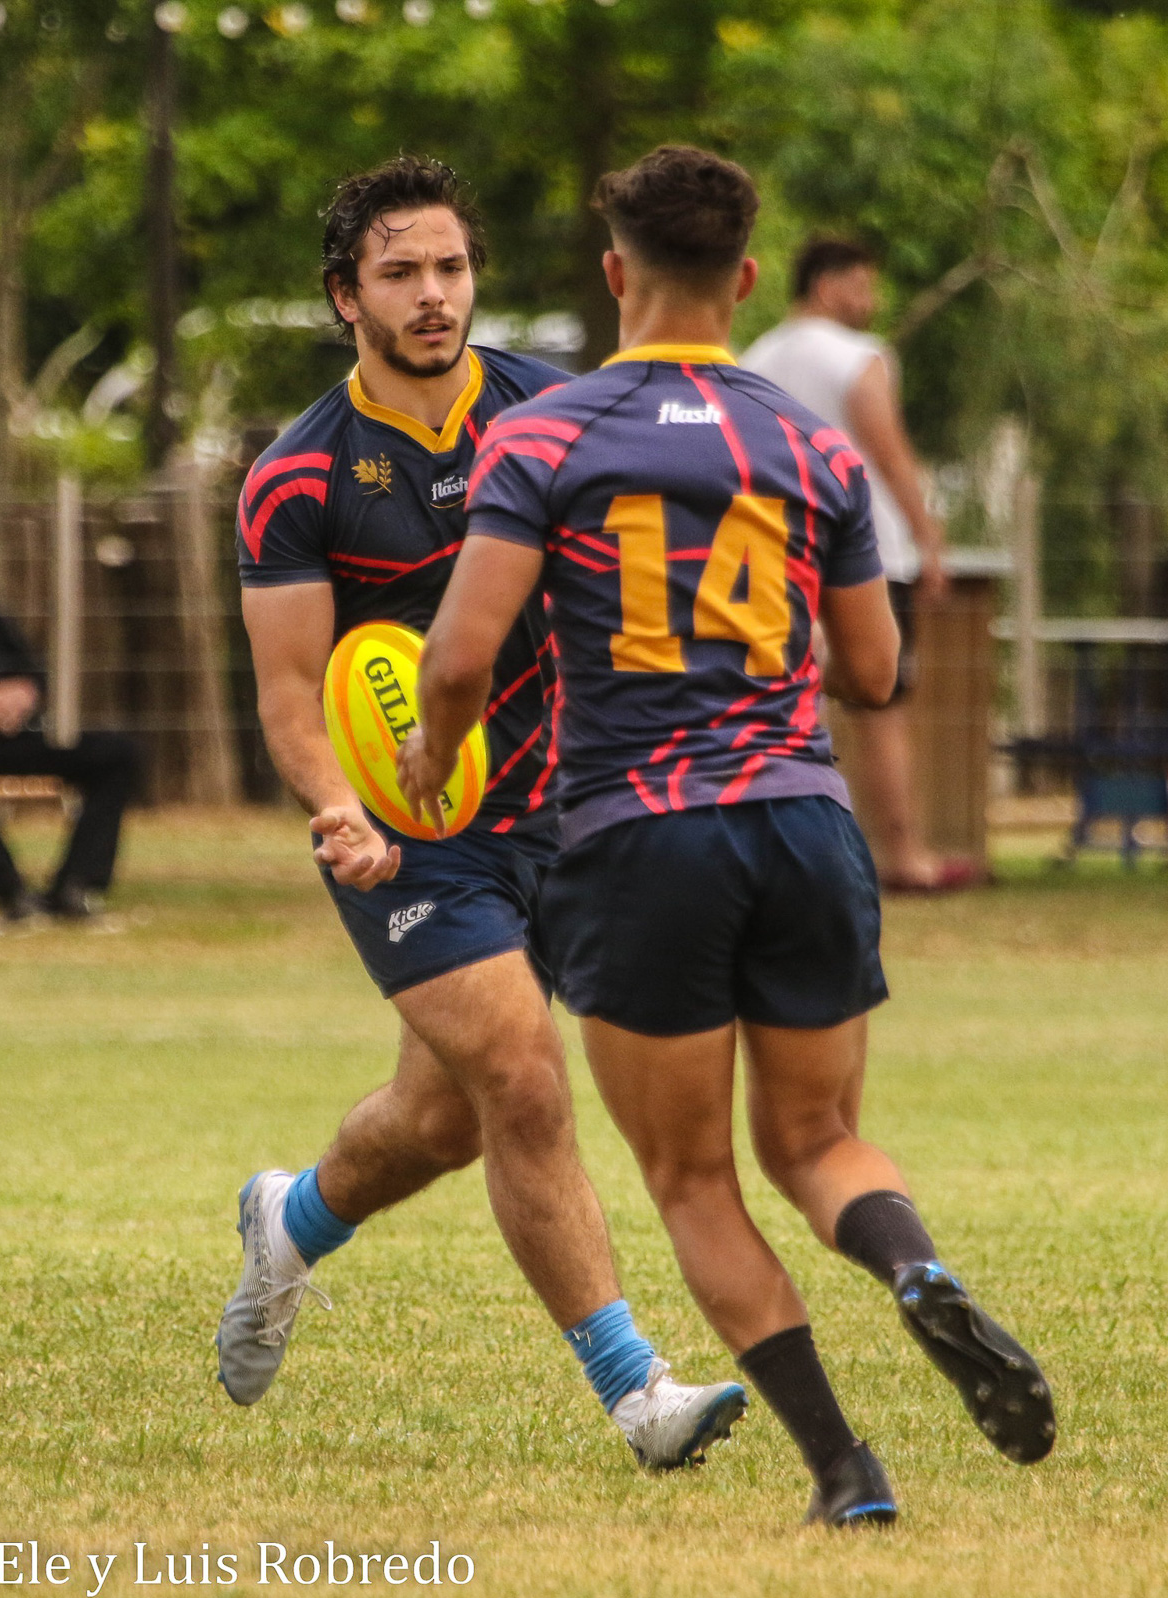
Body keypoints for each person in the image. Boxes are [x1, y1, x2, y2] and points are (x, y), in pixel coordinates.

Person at [399, 144, 1056, 1527]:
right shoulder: (809, 445)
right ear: (747, 278)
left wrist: (431, 756)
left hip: (641, 838)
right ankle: (915, 1272)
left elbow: (461, 657)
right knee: (817, 1142)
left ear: (612, 273)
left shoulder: (543, 434)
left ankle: (845, 1473)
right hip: (805, 823)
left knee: (692, 1179)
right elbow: (875, 672)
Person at [218, 154, 747, 1471]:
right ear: (347, 297)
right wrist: (339, 809)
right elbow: (291, 697)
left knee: (444, 1123)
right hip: (401, 832)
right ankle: (639, 1395)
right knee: (521, 1076)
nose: (433, 294)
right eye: (399, 272)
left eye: (449, 267)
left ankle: (290, 1221)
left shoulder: (556, 413)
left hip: (561, 808)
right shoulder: (298, 479)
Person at [742, 237, 976, 893]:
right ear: (827, 284)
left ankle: (783, 853)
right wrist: (929, 537)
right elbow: (889, 453)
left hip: (775, 550)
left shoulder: (751, 359)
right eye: (862, 284)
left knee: (780, 704)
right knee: (881, 703)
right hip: (866, 553)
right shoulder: (858, 357)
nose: (871, 299)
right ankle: (903, 853)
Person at [0, 584, 138, 922]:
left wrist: (24, 692)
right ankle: (11, 892)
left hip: (10, 734)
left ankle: (75, 887)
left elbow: (30, 668)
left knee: (115, 754)